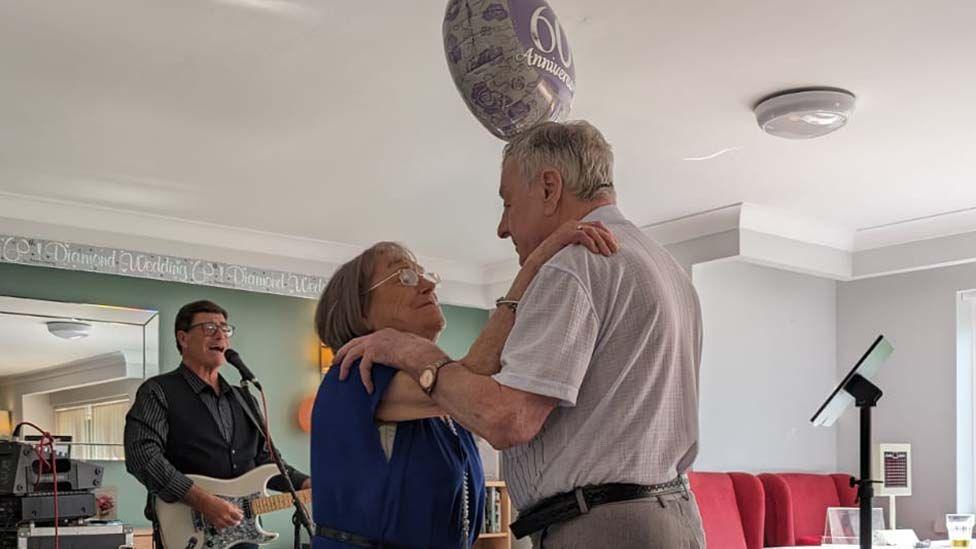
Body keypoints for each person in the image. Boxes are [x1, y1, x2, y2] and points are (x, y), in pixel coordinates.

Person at [334, 120, 704, 548]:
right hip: (672, 518)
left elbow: (508, 418)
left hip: (604, 528)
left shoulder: (575, 264)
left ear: (550, 188)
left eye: (508, 204)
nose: (502, 227)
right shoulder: (667, 268)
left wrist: (412, 352)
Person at [310, 233, 612, 549]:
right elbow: (478, 370)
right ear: (361, 311)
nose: (428, 284)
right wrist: (535, 262)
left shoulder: (440, 400)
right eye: (404, 276)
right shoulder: (355, 374)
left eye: (424, 273)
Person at [124, 300, 310, 548]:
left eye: (225, 328)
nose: (221, 334)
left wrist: (304, 483)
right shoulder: (158, 391)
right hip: (189, 534)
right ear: (183, 338)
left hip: (243, 532)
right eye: (210, 327)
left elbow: (266, 459)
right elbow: (142, 456)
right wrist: (202, 501)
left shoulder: (245, 399)